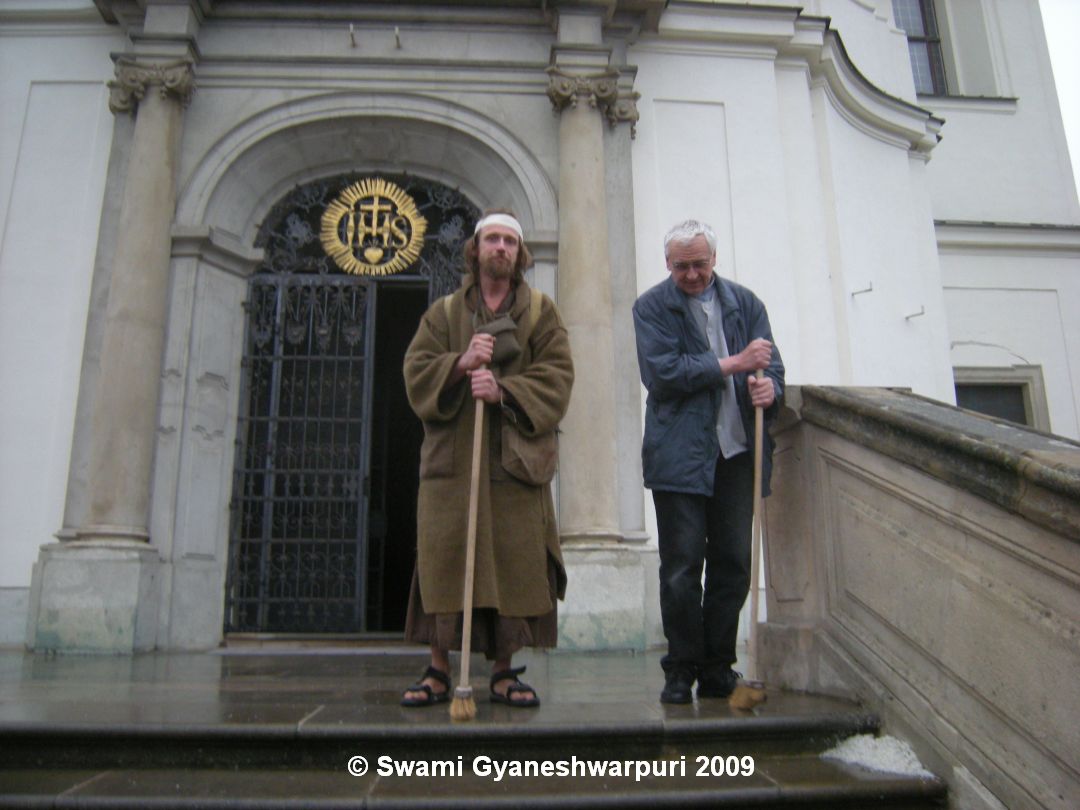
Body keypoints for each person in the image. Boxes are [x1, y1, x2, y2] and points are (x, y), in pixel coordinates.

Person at [400, 210, 574, 708]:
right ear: (474, 249)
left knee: (514, 561)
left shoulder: (541, 313)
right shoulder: (445, 313)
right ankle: (438, 669)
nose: (500, 248)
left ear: (520, 254)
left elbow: (559, 376)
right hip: (452, 464)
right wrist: (459, 363)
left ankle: (503, 671)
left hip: (514, 464)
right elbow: (415, 371)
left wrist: (504, 390)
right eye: (491, 239)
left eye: (509, 242)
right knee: (444, 557)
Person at [632, 219, 785, 704]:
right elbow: (662, 373)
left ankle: (719, 667)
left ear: (714, 260)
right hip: (679, 455)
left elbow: (772, 365)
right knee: (680, 568)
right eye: (682, 266)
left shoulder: (746, 304)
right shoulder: (652, 307)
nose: (693, 274)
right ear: (668, 265)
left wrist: (770, 387)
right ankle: (680, 669)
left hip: (736, 454)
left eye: (700, 264)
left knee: (733, 564)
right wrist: (732, 365)